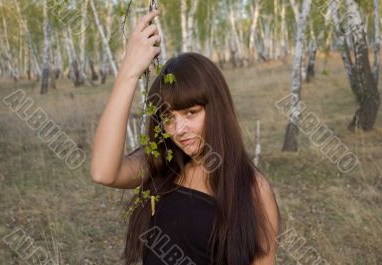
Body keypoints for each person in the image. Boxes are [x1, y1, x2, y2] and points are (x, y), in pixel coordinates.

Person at [90, 10, 281, 265]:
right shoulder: (161, 164)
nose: (179, 129)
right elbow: (103, 172)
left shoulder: (252, 190)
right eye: (168, 117)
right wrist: (129, 72)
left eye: (191, 113)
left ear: (217, 109)